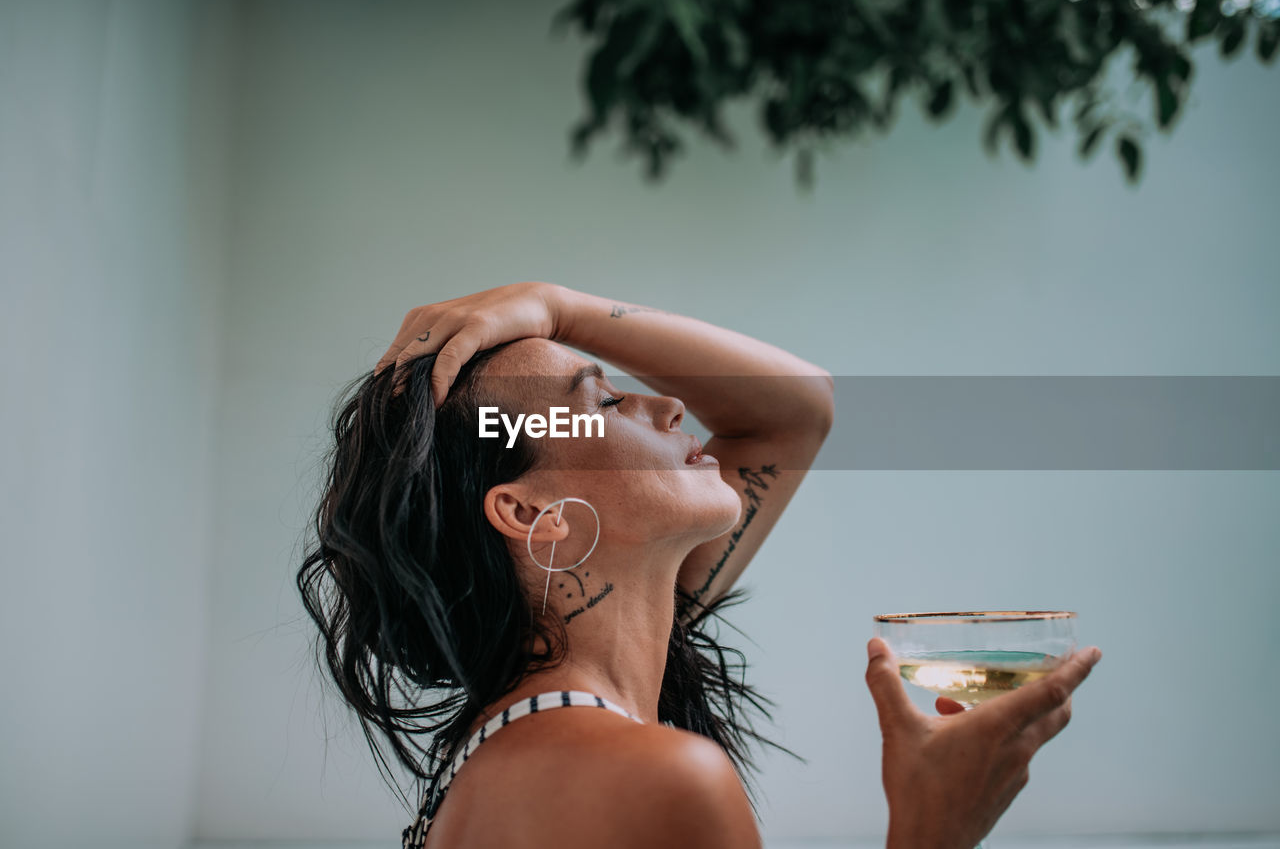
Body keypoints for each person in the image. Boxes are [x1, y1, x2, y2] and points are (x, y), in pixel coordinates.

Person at [296, 281, 1102, 849]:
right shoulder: (658, 776)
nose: (668, 405)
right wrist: (937, 825)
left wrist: (557, 304)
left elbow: (795, 410)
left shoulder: (528, 726)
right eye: (604, 401)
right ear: (529, 513)